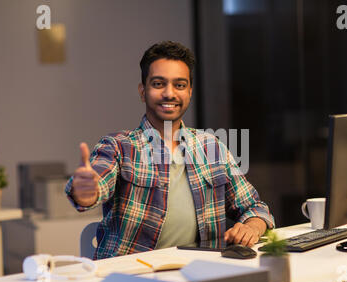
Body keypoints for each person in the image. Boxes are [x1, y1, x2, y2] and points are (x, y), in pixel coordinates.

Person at [65, 41, 274, 259]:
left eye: (180, 85)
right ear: (142, 91)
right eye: (158, 84)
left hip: (200, 271)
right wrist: (86, 192)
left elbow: (255, 207)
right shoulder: (118, 146)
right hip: (132, 276)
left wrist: (252, 227)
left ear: (190, 92)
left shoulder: (211, 146)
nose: (169, 93)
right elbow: (95, 185)